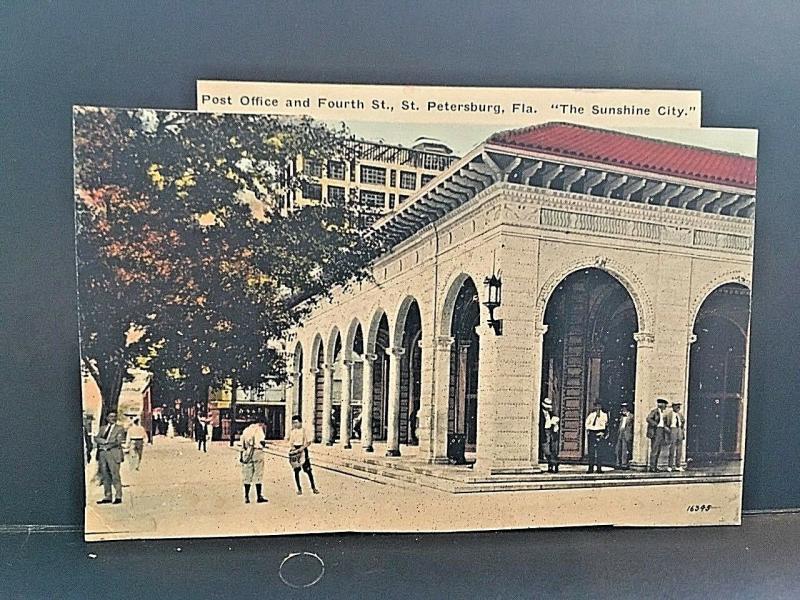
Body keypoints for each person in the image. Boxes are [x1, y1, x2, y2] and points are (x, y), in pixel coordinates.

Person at [94, 411, 127, 504]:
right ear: (107, 418)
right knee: (105, 475)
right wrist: (103, 442)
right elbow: (96, 438)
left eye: (114, 416)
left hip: (113, 453)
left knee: (115, 475)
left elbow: (118, 441)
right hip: (103, 454)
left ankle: (118, 496)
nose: (113, 418)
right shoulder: (103, 428)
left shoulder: (119, 428)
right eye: (111, 416)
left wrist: (107, 445)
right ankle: (107, 496)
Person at [239, 414, 268, 503]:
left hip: (247, 453)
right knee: (258, 474)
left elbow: (242, 445)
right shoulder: (259, 429)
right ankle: (259, 496)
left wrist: (241, 457)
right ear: (261, 423)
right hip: (257, 452)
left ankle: (246, 496)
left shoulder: (246, 430)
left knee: (247, 475)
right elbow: (261, 441)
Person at [288, 415, 319, 495]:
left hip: (303, 449)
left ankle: (313, 487)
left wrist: (302, 448)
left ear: (300, 422)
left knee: (308, 470)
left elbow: (308, 442)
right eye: (293, 423)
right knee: (296, 470)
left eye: (296, 422)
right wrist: (293, 449)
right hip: (295, 449)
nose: (295, 424)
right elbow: (291, 442)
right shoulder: (292, 431)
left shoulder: (304, 431)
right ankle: (299, 488)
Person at [646, 398, 670, 472]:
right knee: (655, 450)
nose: (665, 406)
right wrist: (656, 425)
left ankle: (655, 466)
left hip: (661, 431)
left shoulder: (663, 413)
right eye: (665, 404)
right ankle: (652, 467)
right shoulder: (654, 412)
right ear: (661, 404)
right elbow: (648, 419)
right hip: (656, 431)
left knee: (658, 450)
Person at [584, 400, 608, 473]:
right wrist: (590, 429)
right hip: (592, 432)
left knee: (599, 451)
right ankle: (590, 468)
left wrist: (603, 433)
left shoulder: (604, 415)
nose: (598, 407)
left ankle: (599, 468)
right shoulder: (591, 415)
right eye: (596, 406)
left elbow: (605, 424)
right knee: (591, 451)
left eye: (599, 406)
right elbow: (587, 424)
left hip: (600, 432)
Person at [540, 398, 560, 473]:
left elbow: (555, 420)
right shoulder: (540, 413)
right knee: (546, 450)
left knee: (552, 449)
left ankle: (551, 466)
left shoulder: (551, 414)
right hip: (543, 432)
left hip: (550, 432)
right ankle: (554, 463)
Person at [666, 402, 686, 472]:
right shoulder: (669, 415)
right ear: (673, 407)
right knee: (672, 449)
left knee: (679, 450)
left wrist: (682, 431)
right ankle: (670, 466)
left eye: (679, 407)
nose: (678, 408)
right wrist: (668, 430)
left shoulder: (680, 415)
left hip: (679, 430)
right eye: (677, 407)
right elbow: (665, 424)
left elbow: (683, 422)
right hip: (673, 429)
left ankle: (678, 465)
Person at [615, 403, 634, 469]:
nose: (623, 408)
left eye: (624, 407)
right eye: (622, 407)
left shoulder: (631, 416)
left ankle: (624, 464)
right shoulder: (621, 416)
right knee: (618, 448)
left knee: (625, 449)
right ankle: (618, 463)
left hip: (627, 433)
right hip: (621, 432)